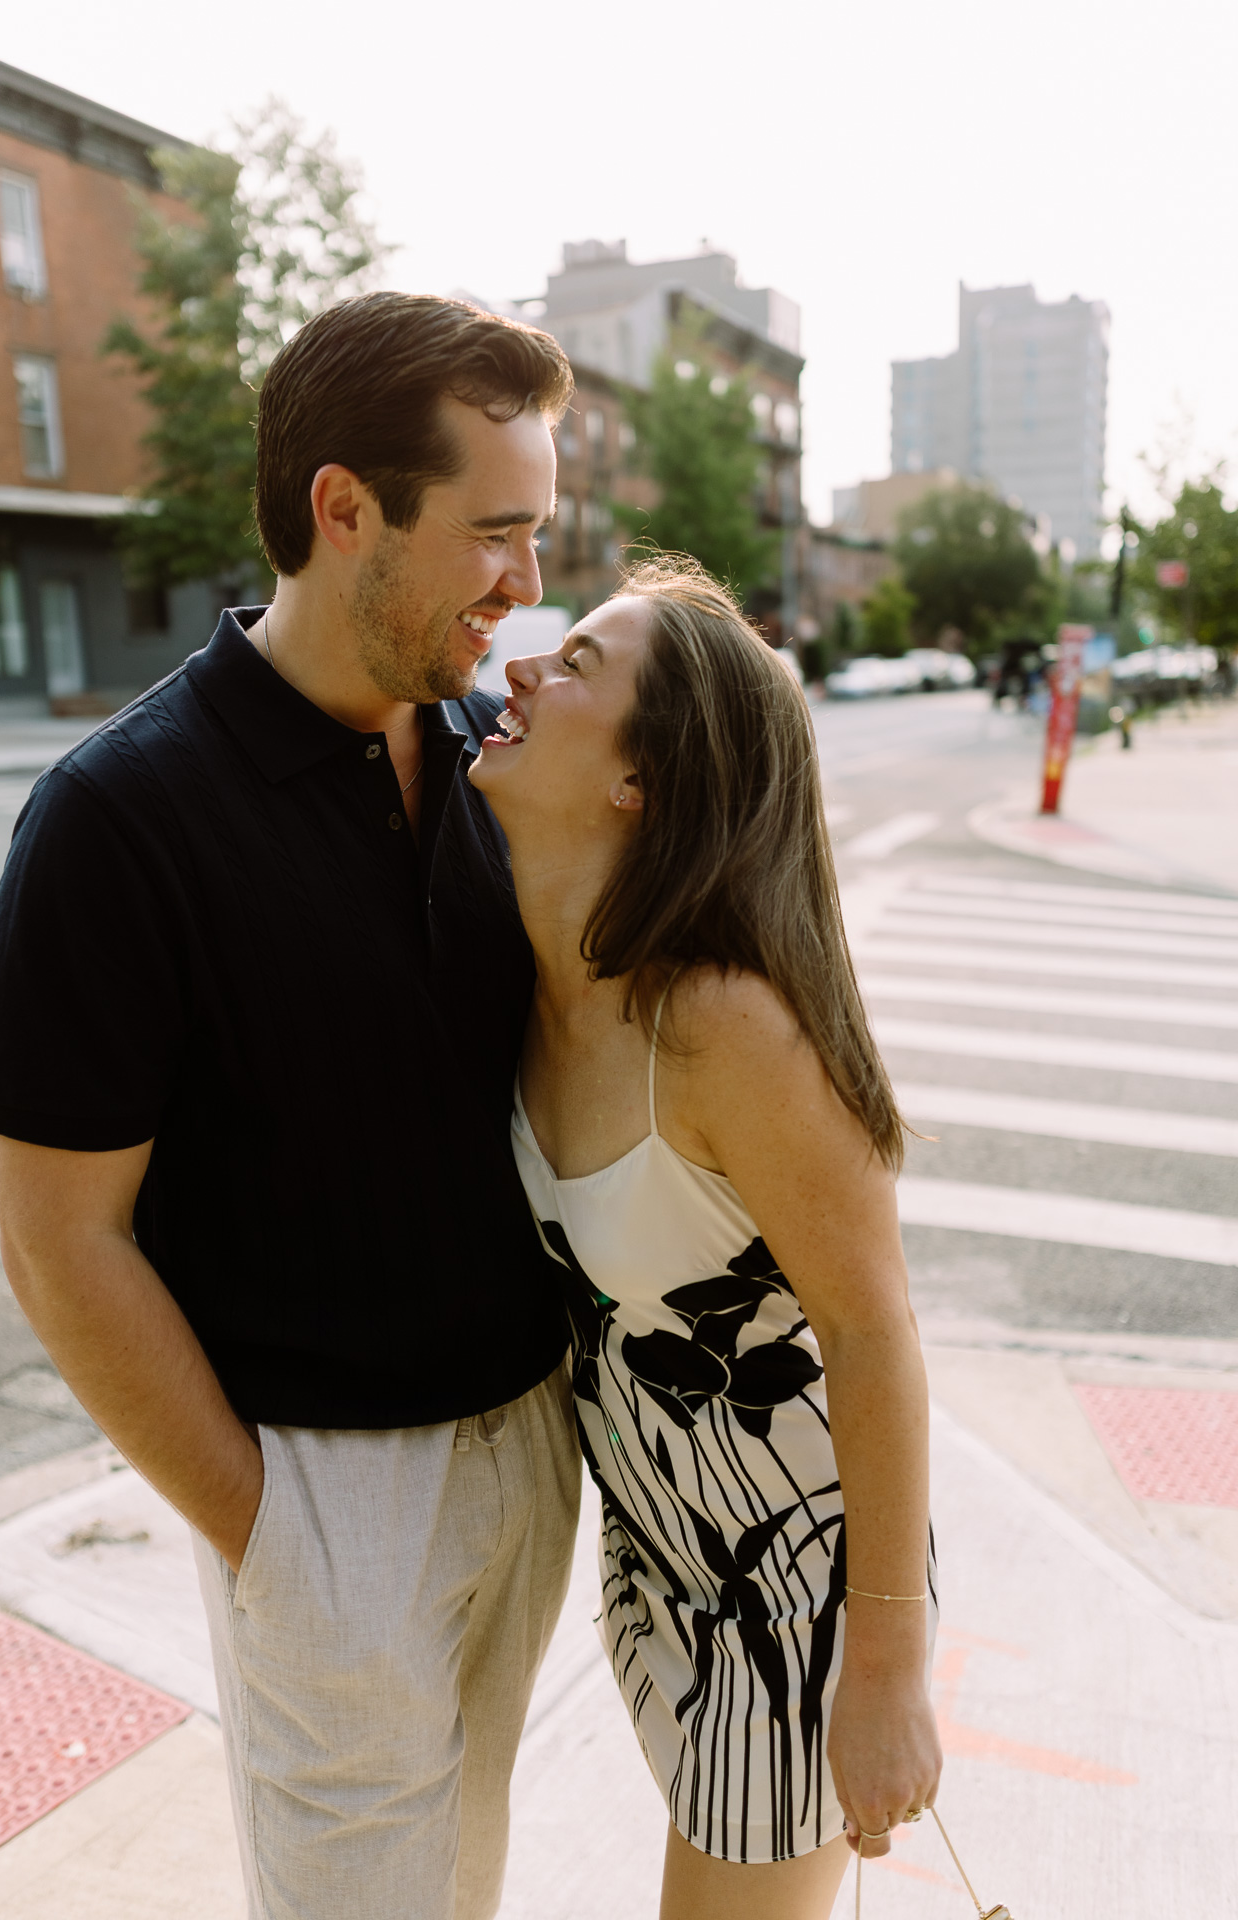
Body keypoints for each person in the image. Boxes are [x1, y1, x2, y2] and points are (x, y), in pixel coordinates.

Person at [0, 293, 583, 1920]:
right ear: (343, 510)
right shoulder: (117, 818)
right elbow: (60, 1243)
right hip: (327, 1492)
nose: (527, 589)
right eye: (496, 534)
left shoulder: (485, 748)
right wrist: (272, 1533)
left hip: (527, 1451)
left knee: (462, 1885)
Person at [469, 558, 941, 1920]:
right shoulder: (534, 975)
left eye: (576, 668)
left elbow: (874, 1331)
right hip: (659, 1556)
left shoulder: (723, 1022)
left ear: (641, 782)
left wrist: (888, 1669)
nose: (524, 670)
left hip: (798, 1589)